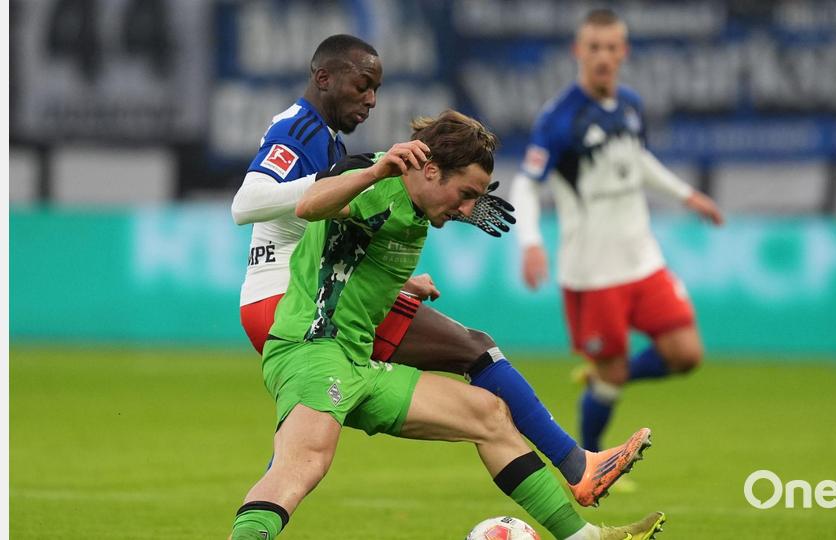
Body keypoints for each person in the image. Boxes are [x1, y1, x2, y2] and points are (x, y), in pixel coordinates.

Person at [231, 34, 651, 507]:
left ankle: (257, 523)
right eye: (362, 85)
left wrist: (397, 271)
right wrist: (340, 178)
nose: (370, 99)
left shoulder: (327, 138)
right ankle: (578, 466)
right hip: (287, 299)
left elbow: (329, 232)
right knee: (474, 350)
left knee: (302, 444)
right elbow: (246, 204)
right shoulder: (300, 131)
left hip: (299, 293)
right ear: (323, 78)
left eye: (377, 89)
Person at [509, 9, 725, 453]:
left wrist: (687, 195)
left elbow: (637, 160)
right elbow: (527, 185)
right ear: (578, 51)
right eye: (594, 47)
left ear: (623, 51)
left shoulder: (630, 104)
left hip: (643, 259)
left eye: (611, 47)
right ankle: (592, 459)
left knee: (686, 353)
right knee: (611, 379)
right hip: (592, 272)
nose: (603, 57)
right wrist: (530, 242)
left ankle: (606, 374)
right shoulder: (559, 120)